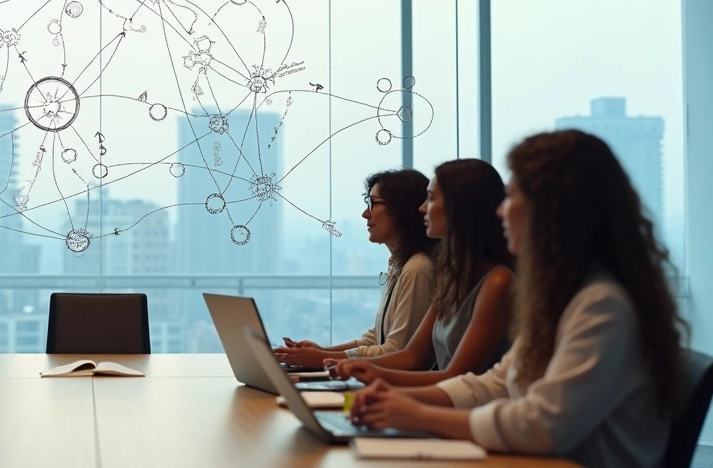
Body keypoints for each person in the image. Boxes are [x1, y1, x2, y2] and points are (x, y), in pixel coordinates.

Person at [349, 130, 687, 468]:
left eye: (511, 196)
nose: (500, 211)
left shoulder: (602, 305)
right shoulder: (563, 296)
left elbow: (542, 426)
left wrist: (419, 414)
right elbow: (498, 383)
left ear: (552, 210)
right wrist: (398, 400)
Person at [326, 159, 515, 386]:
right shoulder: (450, 276)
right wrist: (356, 367)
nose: (422, 208)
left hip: (469, 406)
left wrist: (364, 372)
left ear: (459, 208)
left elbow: (456, 378)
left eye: (431, 199)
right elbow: (413, 356)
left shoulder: (498, 282)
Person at [276, 169, 438, 368]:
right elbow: (378, 337)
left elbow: (395, 351)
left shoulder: (416, 269)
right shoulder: (401, 264)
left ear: (401, 209)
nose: (365, 213)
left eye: (373, 203)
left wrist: (321, 358)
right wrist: (322, 352)